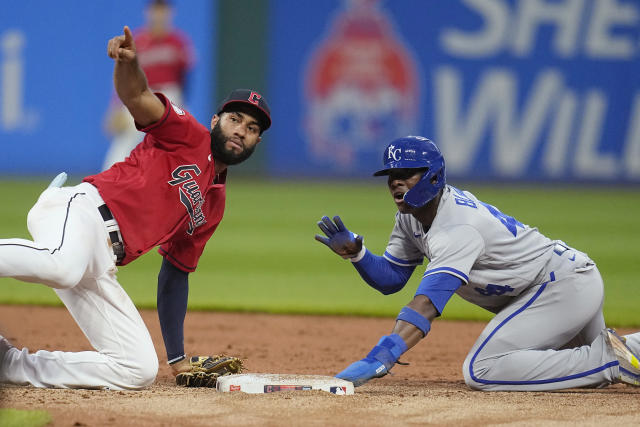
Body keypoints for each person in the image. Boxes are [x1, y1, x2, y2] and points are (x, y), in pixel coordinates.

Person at [0, 25, 271, 390]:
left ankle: (9, 364)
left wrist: (176, 360)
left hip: (102, 261)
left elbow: (175, 273)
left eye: (252, 128)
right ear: (215, 122)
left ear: (256, 141)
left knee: (137, 370)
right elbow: (138, 95)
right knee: (62, 267)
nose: (241, 130)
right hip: (81, 212)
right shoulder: (187, 133)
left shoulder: (214, 204)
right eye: (234, 119)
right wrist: (127, 65)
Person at [315, 135, 640, 391]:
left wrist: (383, 355)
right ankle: (622, 352)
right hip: (548, 290)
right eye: (391, 176)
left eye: (406, 174)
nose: (395, 182)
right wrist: (358, 255)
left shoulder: (458, 228)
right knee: (608, 358)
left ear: (431, 177)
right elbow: (392, 279)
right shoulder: (411, 218)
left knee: (482, 369)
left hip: (560, 288)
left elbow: (427, 304)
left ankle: (611, 361)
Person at [102, 0, 195, 170]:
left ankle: (180, 185)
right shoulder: (137, 40)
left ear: (170, 12)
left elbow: (185, 78)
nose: (159, 14)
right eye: (155, 9)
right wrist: (115, 107)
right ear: (147, 12)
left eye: (163, 9)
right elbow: (122, 74)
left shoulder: (179, 42)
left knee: (178, 143)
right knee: (126, 139)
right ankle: (105, 180)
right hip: (142, 94)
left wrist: (183, 106)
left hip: (170, 95)